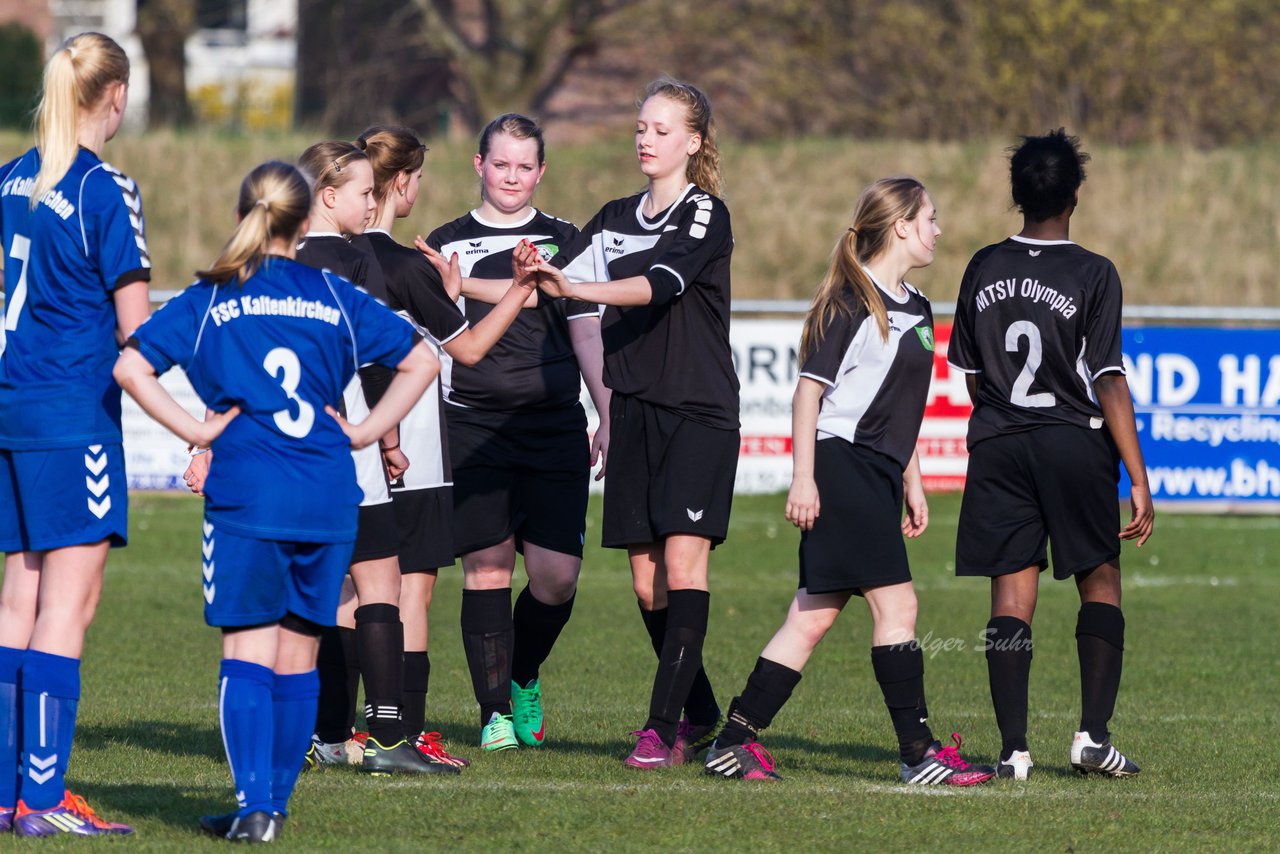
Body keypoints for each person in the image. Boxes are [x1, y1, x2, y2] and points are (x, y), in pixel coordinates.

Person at [114, 160, 440, 842]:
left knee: (247, 652)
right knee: (297, 654)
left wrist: (198, 429)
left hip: (249, 496)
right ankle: (274, 809)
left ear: (241, 219)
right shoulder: (332, 292)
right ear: (300, 226)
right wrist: (366, 431)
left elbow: (130, 366)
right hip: (327, 494)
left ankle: (255, 803)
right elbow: (423, 359)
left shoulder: (210, 298)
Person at [697, 178, 995, 786]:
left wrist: (911, 478)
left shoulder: (917, 305)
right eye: (932, 218)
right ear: (904, 225)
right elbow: (810, 395)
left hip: (877, 471)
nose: (939, 230)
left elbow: (898, 405)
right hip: (841, 465)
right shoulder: (850, 301)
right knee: (899, 604)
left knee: (811, 615)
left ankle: (733, 740)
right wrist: (803, 479)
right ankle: (918, 753)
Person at [519, 78, 736, 769]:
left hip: (698, 412)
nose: (646, 138)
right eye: (641, 126)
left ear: (693, 142)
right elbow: (545, 279)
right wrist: (464, 285)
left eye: (662, 129)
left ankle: (659, 728)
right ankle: (701, 712)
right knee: (646, 585)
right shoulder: (614, 215)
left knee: (681, 563)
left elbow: (658, 285)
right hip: (635, 408)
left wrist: (571, 285)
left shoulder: (705, 214)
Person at [947, 129, 1154, 780]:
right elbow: (1109, 379)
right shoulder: (1094, 272)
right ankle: (1092, 737)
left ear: (1018, 194)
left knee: (1011, 593)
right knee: (1100, 580)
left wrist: (1006, 415)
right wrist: (1139, 478)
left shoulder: (981, 266)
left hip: (999, 445)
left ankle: (1013, 752)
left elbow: (972, 373)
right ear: (1075, 194)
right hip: (1073, 442)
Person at [419, 113, 609, 751]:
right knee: (488, 568)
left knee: (557, 578)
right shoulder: (443, 244)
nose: (512, 177)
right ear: (478, 165)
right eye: (500, 164)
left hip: (554, 425)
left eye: (525, 166)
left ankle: (524, 672)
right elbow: (430, 341)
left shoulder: (567, 239)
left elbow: (586, 329)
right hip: (472, 424)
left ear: (541, 172)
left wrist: (607, 410)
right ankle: (494, 709)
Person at [0, 32, 149, 837]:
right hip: (73, 414)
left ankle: (4, 793)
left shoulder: (10, 178)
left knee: (16, 597)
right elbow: (136, 333)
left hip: (12, 405)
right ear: (115, 96)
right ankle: (44, 802)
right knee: (68, 603)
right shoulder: (106, 189)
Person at [358, 125, 540, 754]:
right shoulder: (408, 265)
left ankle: (333, 728)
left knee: (347, 584)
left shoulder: (319, 257)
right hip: (411, 441)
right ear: (402, 183)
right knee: (411, 585)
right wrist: (520, 288)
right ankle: (403, 727)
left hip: (336, 435)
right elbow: (470, 349)